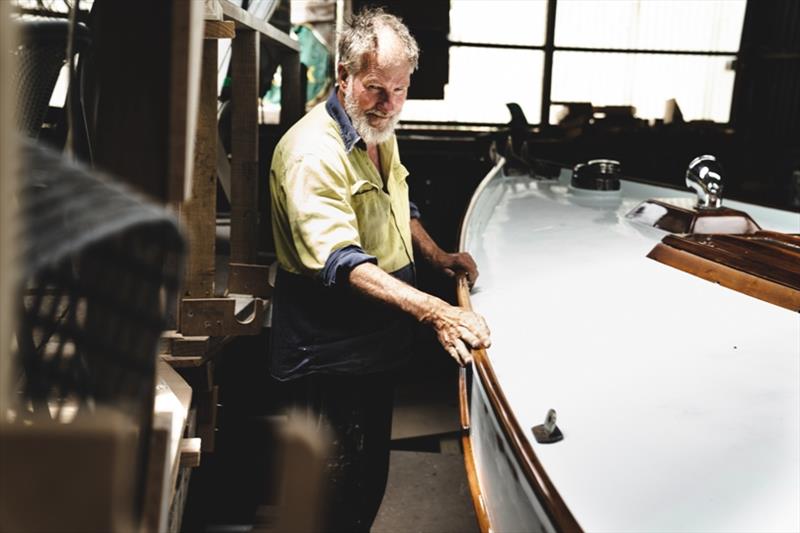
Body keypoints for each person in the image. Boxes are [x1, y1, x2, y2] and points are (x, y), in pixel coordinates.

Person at [268, 7, 491, 532]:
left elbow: (398, 203)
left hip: (374, 343)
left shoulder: (376, 128)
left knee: (368, 481)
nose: (389, 104)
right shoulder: (311, 153)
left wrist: (436, 256)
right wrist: (437, 312)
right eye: (374, 88)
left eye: (399, 88)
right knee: (334, 495)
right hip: (330, 350)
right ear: (342, 76)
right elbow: (341, 262)